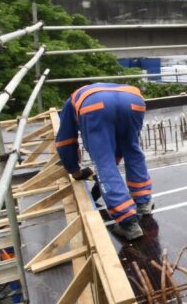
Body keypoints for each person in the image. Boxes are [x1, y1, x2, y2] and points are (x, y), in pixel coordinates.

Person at [54, 83, 152, 241]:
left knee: (103, 160)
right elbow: (120, 145)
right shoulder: (89, 93)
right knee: (132, 149)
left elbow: (65, 142)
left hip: (95, 106)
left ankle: (128, 222)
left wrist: (74, 170)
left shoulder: (70, 103)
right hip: (134, 99)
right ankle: (143, 202)